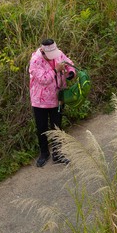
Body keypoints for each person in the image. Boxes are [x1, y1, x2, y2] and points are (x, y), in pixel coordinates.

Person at [28, 38, 76, 167]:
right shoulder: (35, 61)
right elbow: (43, 79)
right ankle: (44, 153)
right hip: (40, 101)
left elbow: (68, 63)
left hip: (57, 97)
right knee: (42, 128)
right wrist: (56, 70)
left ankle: (58, 154)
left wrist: (71, 72)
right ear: (43, 51)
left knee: (57, 126)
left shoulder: (58, 53)